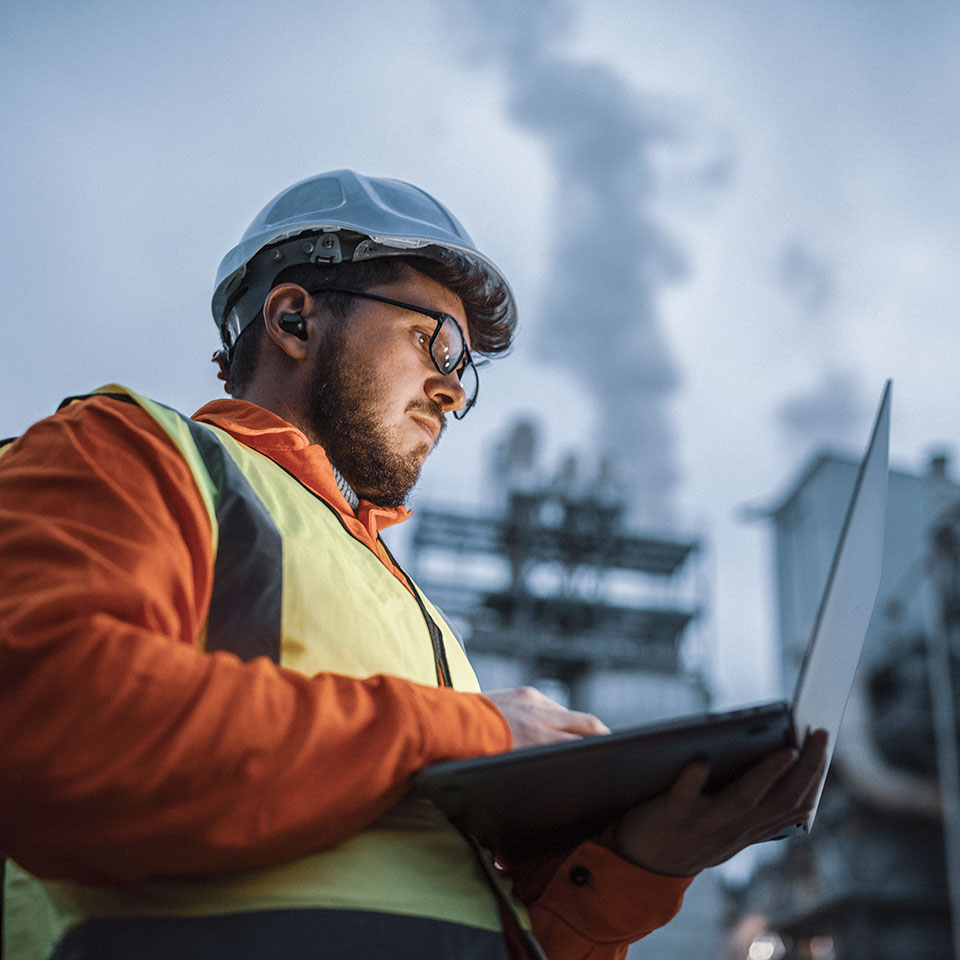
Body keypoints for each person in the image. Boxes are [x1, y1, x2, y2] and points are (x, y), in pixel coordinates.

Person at [0, 170, 827, 960]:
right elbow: (44, 720)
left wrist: (641, 865)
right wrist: (477, 730)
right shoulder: (131, 454)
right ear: (294, 320)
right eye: (437, 342)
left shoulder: (417, 617)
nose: (455, 392)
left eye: (465, 368)